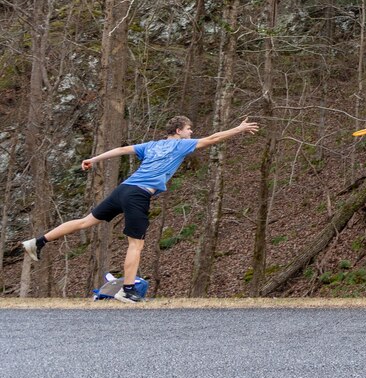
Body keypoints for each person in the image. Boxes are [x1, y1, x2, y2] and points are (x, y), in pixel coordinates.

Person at [22, 115, 260, 302]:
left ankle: (38, 242)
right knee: (135, 244)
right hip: (138, 194)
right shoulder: (181, 145)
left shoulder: (151, 145)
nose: (191, 133)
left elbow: (120, 150)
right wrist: (238, 129)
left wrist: (93, 159)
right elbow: (213, 139)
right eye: (189, 129)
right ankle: (127, 290)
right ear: (179, 131)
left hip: (123, 189)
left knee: (85, 221)